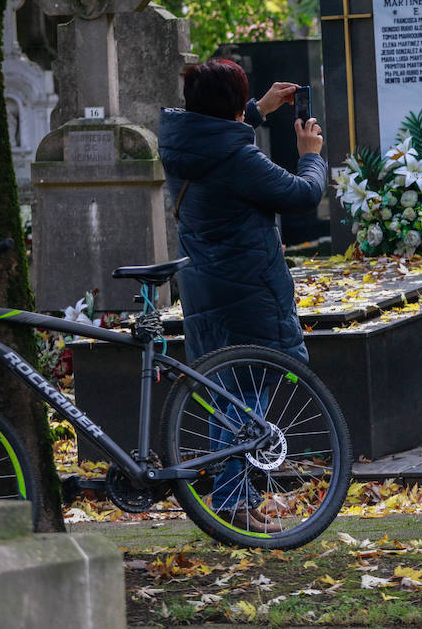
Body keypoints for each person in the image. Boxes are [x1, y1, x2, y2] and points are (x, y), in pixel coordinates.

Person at [158, 59, 326, 533]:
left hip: (205, 284)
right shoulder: (238, 159)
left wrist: (256, 109)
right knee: (248, 394)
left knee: (225, 389)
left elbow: (215, 138)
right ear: (230, 108)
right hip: (246, 286)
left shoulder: (181, 144)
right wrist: (310, 153)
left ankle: (237, 496)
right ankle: (233, 500)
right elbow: (299, 194)